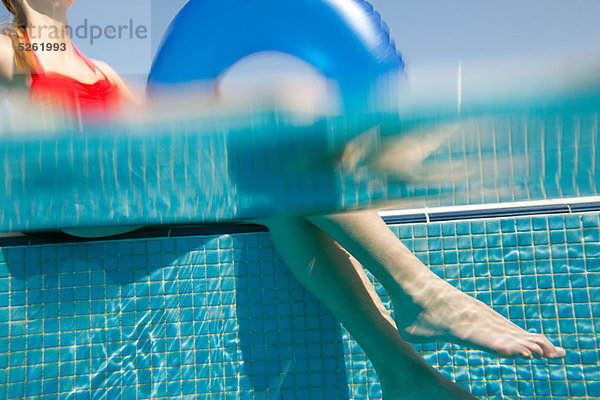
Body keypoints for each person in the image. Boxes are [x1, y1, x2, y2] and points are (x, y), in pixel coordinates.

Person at [0, 1, 565, 399]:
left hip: (128, 191)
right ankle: (421, 295)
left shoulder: (98, 67)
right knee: (267, 150)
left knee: (278, 190)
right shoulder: (9, 49)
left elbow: (152, 138)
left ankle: (403, 373)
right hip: (72, 205)